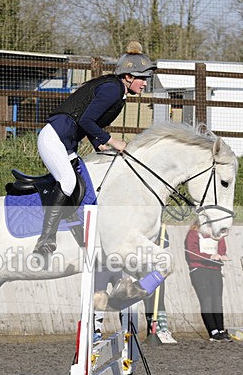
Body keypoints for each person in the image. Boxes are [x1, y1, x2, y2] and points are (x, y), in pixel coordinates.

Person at [33, 41, 155, 260]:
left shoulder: (116, 89)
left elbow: (87, 120)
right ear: (128, 76)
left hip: (66, 142)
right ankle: (45, 242)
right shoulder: (112, 89)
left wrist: (97, 140)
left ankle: (78, 233)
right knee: (68, 182)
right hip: (54, 139)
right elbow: (86, 119)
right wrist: (111, 140)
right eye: (142, 78)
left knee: (84, 184)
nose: (145, 84)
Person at [185, 220, 230, 341]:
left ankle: (221, 329)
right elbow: (191, 253)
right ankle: (213, 331)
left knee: (217, 300)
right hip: (199, 270)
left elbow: (221, 248)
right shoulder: (193, 234)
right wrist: (209, 256)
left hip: (215, 269)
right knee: (206, 301)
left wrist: (222, 255)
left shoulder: (217, 235)